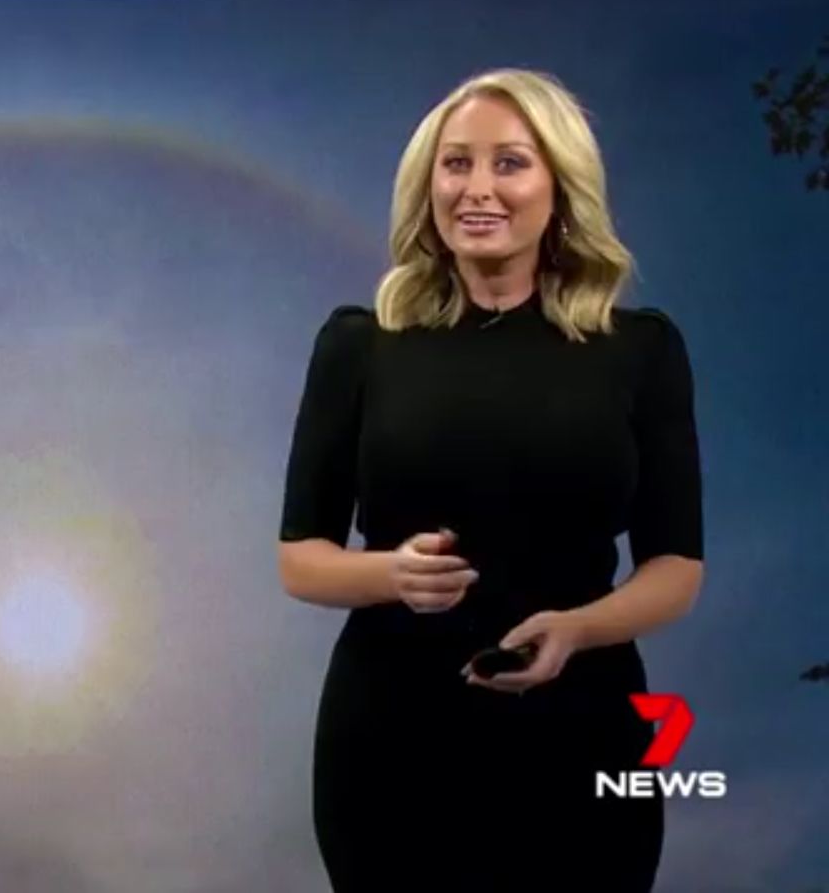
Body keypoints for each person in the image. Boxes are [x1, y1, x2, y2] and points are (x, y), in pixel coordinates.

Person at [276, 68, 705, 892]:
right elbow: (301, 558)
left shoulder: (642, 351)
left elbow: (676, 569)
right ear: (427, 184)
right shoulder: (359, 346)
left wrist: (578, 629)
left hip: (586, 731)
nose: (477, 188)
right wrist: (392, 575)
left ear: (561, 187)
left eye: (509, 162)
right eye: (456, 163)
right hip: (392, 741)